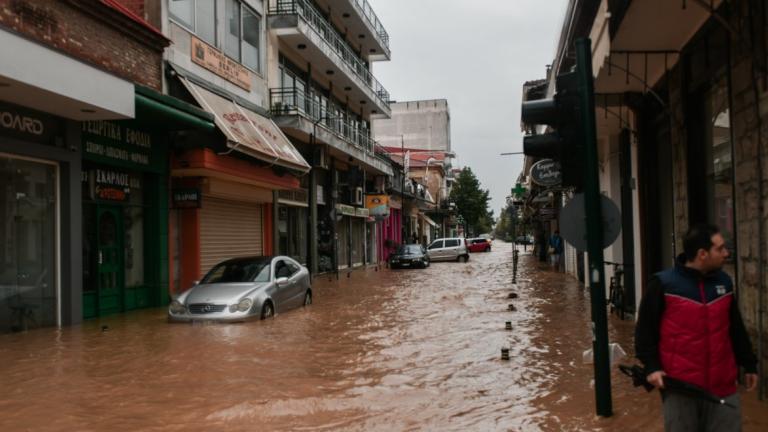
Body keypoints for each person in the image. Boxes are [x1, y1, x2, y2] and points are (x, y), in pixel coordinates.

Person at [635, 224, 758, 431]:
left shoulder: (724, 283)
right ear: (702, 254)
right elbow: (644, 333)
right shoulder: (662, 285)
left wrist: (749, 363)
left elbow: (735, 327)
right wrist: (652, 367)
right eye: (720, 249)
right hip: (680, 389)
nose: (726, 253)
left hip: (723, 386)